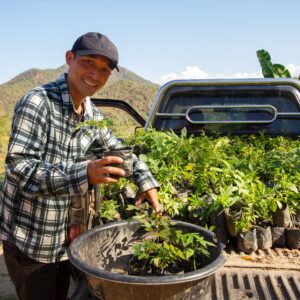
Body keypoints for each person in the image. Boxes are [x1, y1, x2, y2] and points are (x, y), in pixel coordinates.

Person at [0, 32, 160, 300]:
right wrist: (84, 172)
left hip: (64, 236)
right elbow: (19, 168)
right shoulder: (38, 103)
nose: (95, 74)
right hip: (31, 237)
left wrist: (146, 181)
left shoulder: (91, 113)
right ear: (69, 58)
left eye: (104, 69)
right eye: (88, 63)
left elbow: (119, 150)